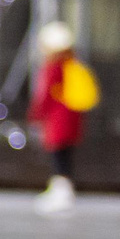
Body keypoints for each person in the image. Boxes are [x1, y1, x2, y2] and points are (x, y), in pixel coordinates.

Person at [30, 21, 95, 213]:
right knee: (64, 154)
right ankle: (62, 188)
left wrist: (37, 114)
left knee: (59, 155)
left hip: (58, 119)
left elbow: (46, 95)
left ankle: (61, 190)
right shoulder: (72, 64)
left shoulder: (54, 68)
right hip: (71, 118)